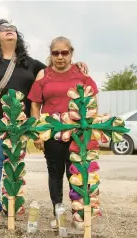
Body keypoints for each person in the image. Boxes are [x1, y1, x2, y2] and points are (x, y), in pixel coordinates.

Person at [0, 19, 89, 218]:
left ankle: (10, 206)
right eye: (3, 29)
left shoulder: (29, 63)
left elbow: (55, 67)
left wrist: (76, 65)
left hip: (18, 126)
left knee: (14, 166)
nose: (8, 31)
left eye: (12, 29)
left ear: (17, 35)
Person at [27, 36, 99, 228]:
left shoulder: (81, 74)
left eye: (64, 52)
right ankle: (58, 215)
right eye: (55, 52)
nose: (60, 57)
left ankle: (79, 214)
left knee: (77, 172)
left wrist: (89, 127)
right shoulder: (43, 75)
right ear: (50, 54)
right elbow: (35, 104)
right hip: (52, 134)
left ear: (71, 53)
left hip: (77, 134)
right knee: (55, 174)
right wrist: (37, 132)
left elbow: (92, 102)